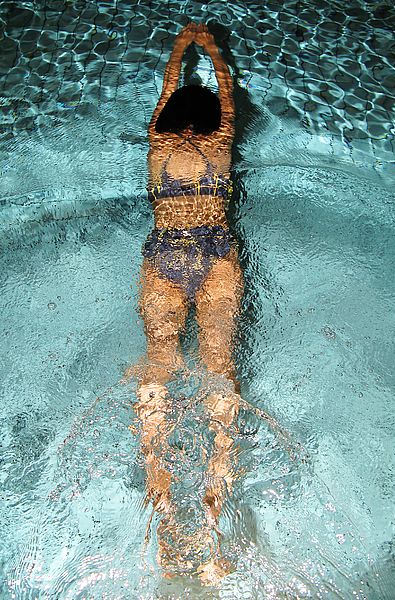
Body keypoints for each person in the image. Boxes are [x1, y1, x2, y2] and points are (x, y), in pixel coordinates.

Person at [133, 22, 243, 585]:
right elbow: (225, 95)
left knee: (157, 367)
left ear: (171, 118)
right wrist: (213, 51)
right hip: (216, 257)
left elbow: (167, 94)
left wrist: (178, 50)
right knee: (219, 373)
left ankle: (163, 512)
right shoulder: (222, 143)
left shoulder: (156, 144)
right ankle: (213, 525)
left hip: (163, 262)